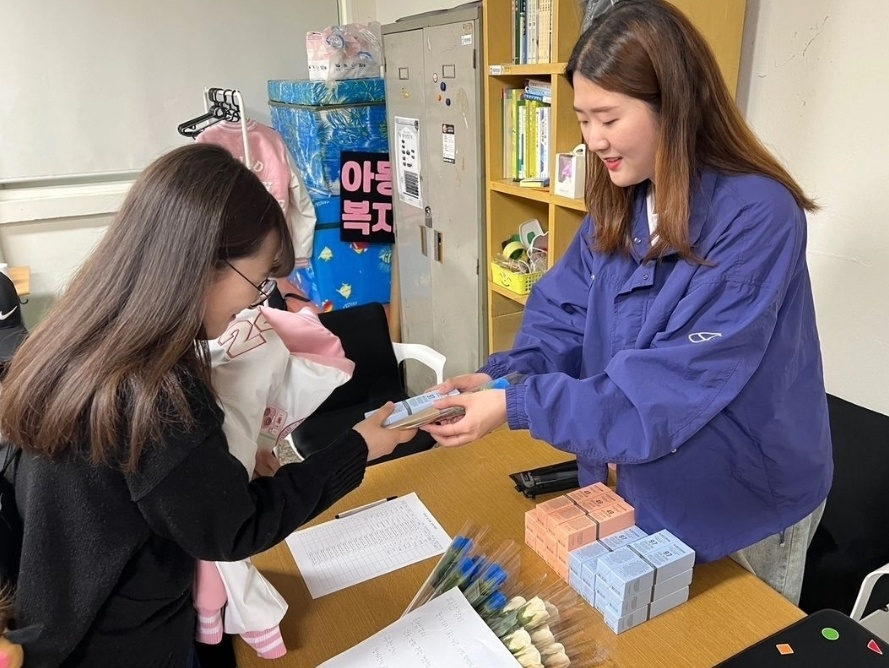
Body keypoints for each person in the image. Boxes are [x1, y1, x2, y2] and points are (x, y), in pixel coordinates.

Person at [425, 0, 832, 605]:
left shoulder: (757, 215)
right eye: (583, 120)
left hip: (741, 496)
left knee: (733, 637)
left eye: (609, 118)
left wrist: (516, 403)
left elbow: (668, 386)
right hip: (639, 478)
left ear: (675, 105)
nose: (593, 141)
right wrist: (501, 376)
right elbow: (563, 317)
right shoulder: (625, 202)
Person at [0, 143, 414, 666]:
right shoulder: (157, 393)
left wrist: (215, 473)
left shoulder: (70, 341)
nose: (255, 302)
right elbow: (235, 529)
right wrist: (358, 448)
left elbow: (146, 490)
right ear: (203, 264)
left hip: (51, 615)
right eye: (257, 282)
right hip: (125, 644)